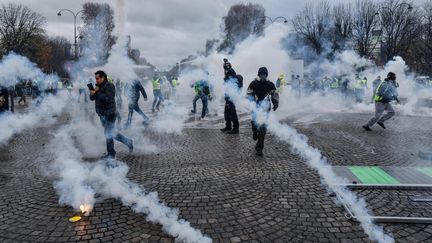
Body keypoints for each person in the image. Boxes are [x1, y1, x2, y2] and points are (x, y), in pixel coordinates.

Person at [90, 70, 133, 158]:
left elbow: (107, 98)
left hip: (109, 114)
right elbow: (92, 98)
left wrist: (97, 92)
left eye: (98, 78)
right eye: (95, 78)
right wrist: (92, 92)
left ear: (103, 77)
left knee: (108, 133)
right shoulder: (98, 86)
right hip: (102, 114)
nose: (96, 80)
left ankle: (111, 153)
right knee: (110, 133)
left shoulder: (109, 85)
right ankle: (127, 142)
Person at [247, 67, 279, 156]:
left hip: (265, 108)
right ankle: (254, 131)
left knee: (263, 128)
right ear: (259, 75)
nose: (263, 76)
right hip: (256, 106)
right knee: (254, 123)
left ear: (266, 75)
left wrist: (275, 103)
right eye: (261, 75)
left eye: (264, 75)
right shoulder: (253, 83)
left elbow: (274, 94)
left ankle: (259, 148)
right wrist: (252, 103)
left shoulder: (270, 84)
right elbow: (249, 93)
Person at [221, 58, 242, 134]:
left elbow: (230, 87)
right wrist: (226, 62)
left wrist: (228, 98)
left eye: (225, 69)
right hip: (228, 96)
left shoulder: (230, 75)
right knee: (226, 112)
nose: (225, 70)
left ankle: (235, 128)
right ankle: (228, 126)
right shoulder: (229, 72)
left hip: (231, 97)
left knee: (232, 113)